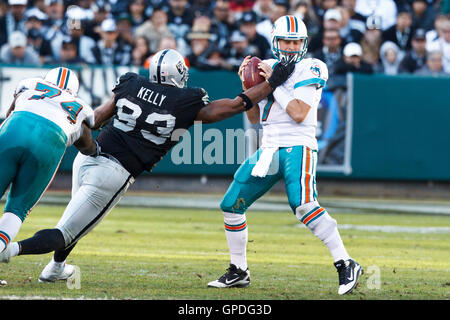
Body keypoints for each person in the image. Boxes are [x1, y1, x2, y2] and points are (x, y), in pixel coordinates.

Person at [0, 49, 296, 282]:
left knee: (75, 221)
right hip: (115, 173)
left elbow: (98, 118)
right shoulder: (185, 100)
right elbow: (235, 105)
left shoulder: (131, 83)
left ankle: (55, 268)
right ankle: (9, 249)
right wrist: (271, 83)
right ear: (178, 74)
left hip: (87, 158)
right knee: (67, 231)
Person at [207, 15, 363, 295]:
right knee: (231, 204)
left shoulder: (312, 67)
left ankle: (346, 262)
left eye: (295, 42)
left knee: (303, 205)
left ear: (303, 44)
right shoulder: (268, 67)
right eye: (285, 41)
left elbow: (299, 113)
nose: (290, 47)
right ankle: (239, 270)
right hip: (269, 146)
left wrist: (274, 83)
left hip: (298, 145)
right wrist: (248, 86)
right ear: (275, 42)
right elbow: (255, 118)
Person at [0, 67, 98, 274]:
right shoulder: (80, 106)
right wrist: (94, 149)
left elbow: (10, 113)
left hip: (14, 131)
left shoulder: (29, 84)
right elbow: (88, 142)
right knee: (17, 209)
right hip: (49, 142)